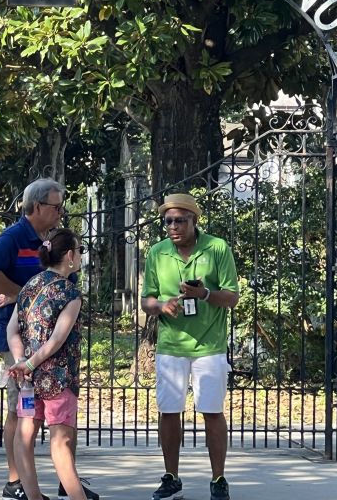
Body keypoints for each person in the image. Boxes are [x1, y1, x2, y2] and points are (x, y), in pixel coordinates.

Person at [0, 178, 97, 500]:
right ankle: (18, 481)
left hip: (31, 355)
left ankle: (54, 483)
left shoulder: (46, 247)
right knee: (28, 417)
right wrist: (23, 295)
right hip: (39, 358)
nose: (61, 212)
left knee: (34, 418)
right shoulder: (16, 237)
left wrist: (30, 297)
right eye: (57, 207)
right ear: (38, 206)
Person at [140, 193, 239, 500]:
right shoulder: (157, 253)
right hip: (171, 346)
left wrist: (205, 294)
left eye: (180, 220)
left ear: (195, 220)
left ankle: (218, 479)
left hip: (209, 345)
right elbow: (147, 300)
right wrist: (161, 306)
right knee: (169, 412)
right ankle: (171, 477)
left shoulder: (217, 247)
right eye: (168, 221)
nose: (173, 227)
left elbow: (232, 297)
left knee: (211, 411)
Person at [7, 228, 89, 500]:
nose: (79, 257)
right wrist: (30, 364)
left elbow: (12, 330)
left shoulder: (30, 286)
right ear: (68, 255)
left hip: (29, 381)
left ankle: (33, 497)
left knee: (24, 437)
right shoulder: (70, 293)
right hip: (58, 378)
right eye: (79, 251)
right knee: (61, 445)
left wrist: (22, 362)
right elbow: (57, 340)